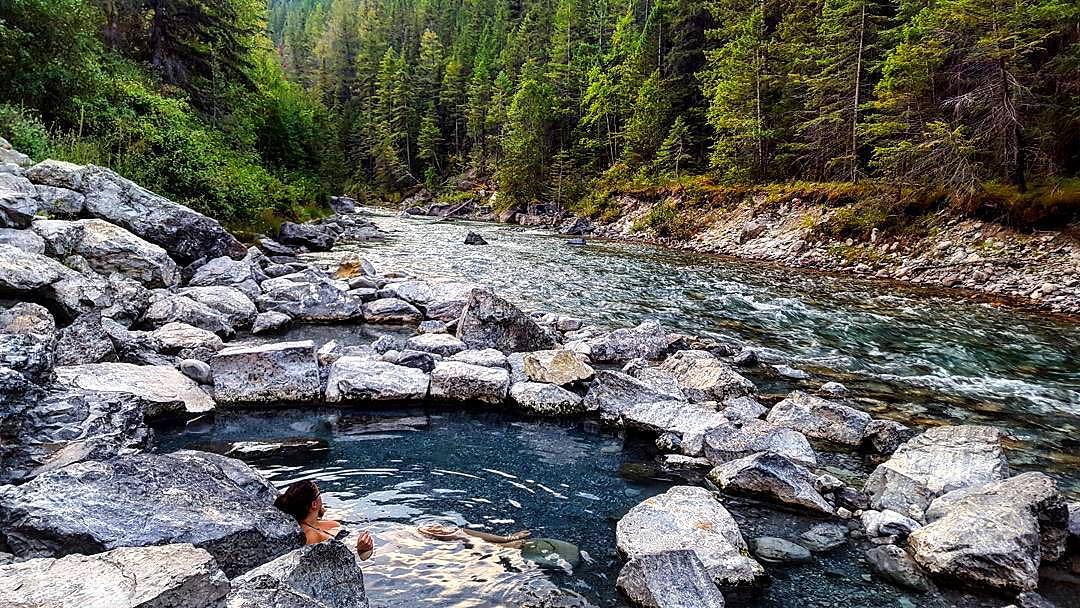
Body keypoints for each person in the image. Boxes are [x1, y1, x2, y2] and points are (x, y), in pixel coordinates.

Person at [275, 480, 375, 557]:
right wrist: (359, 549)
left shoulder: (316, 524)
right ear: (314, 504)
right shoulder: (311, 536)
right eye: (319, 494)